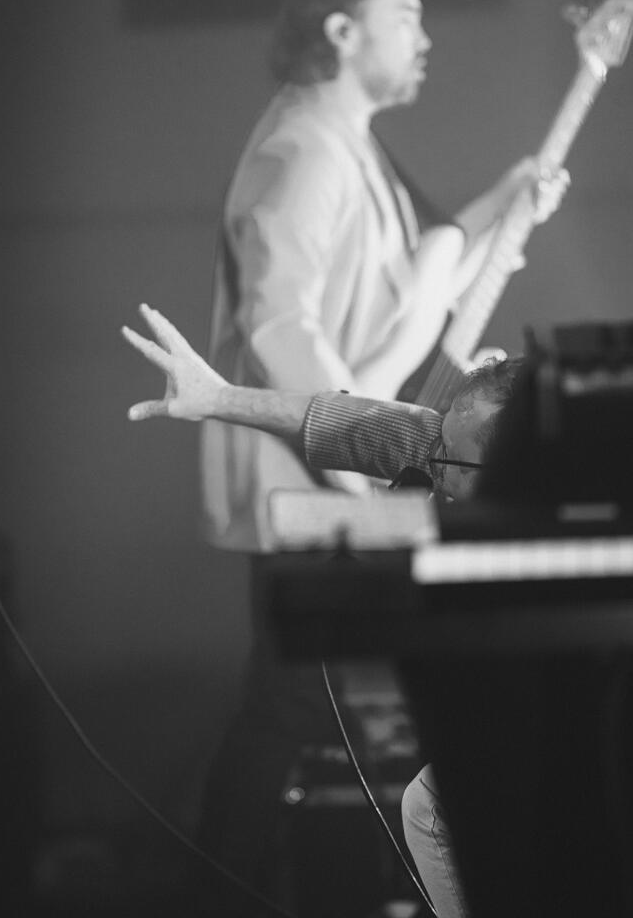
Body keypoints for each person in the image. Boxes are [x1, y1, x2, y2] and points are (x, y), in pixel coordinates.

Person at [195, 0, 566, 900]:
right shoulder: (301, 151)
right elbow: (282, 325)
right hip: (313, 483)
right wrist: (368, 455)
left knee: (321, 711)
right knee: (289, 712)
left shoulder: (343, 146)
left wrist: (498, 209)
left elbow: (406, 290)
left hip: (336, 474)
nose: (424, 37)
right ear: (341, 29)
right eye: (404, 16)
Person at [122, 303, 524, 918]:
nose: (434, 471)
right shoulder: (461, 448)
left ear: (517, 469)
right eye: (437, 448)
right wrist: (219, 397)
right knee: (435, 806)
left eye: (452, 462)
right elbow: (355, 424)